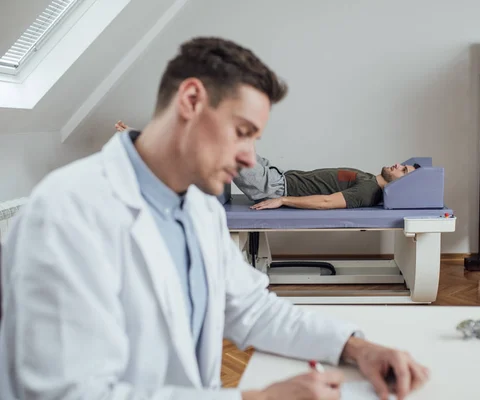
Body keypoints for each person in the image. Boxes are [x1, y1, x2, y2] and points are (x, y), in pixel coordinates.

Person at [0, 37, 429, 400]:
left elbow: (253, 309)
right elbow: (68, 392)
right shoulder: (65, 212)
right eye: (242, 132)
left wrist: (357, 349)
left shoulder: (198, 205)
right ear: (190, 100)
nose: (248, 157)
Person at [115, 120, 420, 211]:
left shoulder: (367, 191)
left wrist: (282, 199)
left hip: (273, 186)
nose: (397, 165)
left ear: (403, 184)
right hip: (274, 175)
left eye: (403, 170)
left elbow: (327, 201)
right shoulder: (369, 177)